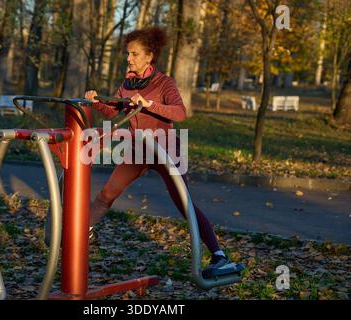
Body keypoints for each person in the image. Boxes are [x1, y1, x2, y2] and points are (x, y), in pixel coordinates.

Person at [85, 27, 241, 278]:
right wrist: (97, 101)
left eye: (134, 54)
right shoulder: (127, 84)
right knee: (106, 194)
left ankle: (219, 256)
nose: (129, 58)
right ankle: (83, 234)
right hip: (138, 150)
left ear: (149, 56)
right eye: (127, 53)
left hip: (165, 149)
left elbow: (180, 113)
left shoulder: (163, 83)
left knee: (184, 203)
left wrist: (149, 104)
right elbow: (116, 112)